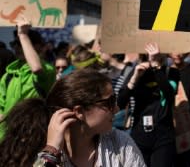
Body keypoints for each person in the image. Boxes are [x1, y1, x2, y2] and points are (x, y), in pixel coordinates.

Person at [0, 68, 145, 166]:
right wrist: (50, 152)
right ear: (79, 111)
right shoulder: (36, 145)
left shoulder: (120, 142)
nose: (117, 109)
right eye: (109, 102)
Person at [117, 43, 180, 167]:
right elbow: (121, 102)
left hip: (164, 134)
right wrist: (134, 78)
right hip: (140, 132)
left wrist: (156, 66)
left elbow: (169, 94)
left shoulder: (172, 72)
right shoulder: (138, 70)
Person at [0, 15, 55, 138]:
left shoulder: (48, 69)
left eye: (22, 43)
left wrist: (23, 35)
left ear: (39, 47)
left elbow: (36, 68)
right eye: (15, 43)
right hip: (6, 137)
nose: (17, 47)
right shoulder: (9, 74)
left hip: (33, 136)